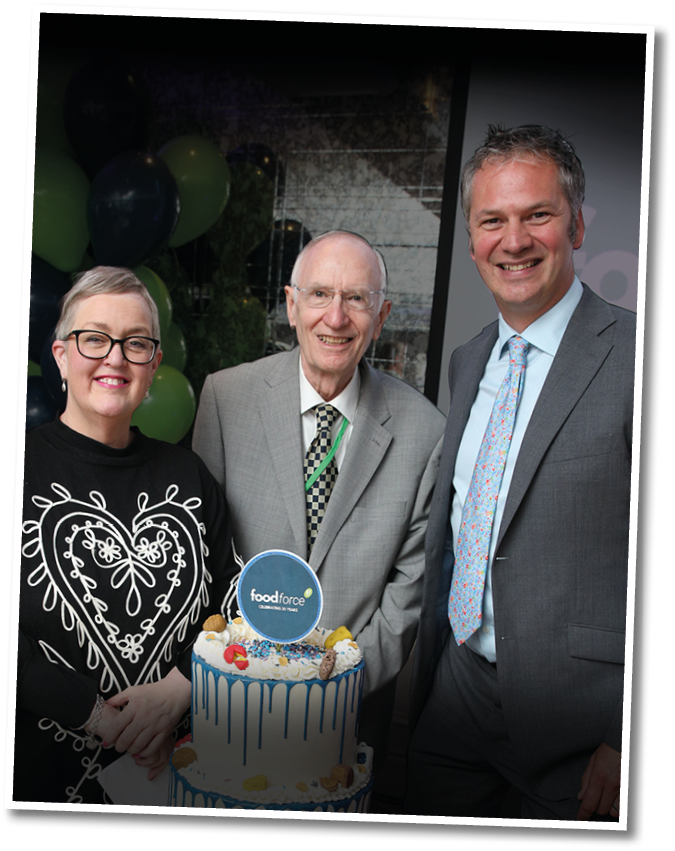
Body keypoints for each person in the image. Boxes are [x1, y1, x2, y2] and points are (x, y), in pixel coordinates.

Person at [405, 125, 635, 821]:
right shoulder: (469, 359)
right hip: (457, 690)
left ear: (576, 224)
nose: (513, 240)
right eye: (491, 220)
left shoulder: (641, 356)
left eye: (536, 214)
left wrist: (632, 734)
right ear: (471, 237)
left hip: (582, 722)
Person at [192, 230, 446, 761]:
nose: (336, 318)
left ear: (381, 317)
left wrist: (326, 686)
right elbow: (202, 559)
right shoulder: (225, 398)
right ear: (291, 305)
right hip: (229, 697)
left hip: (347, 713)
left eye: (357, 299)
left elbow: (408, 594)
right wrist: (244, 672)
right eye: (319, 295)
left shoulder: (426, 431)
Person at [15, 267, 233, 804]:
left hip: (175, 781)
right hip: (36, 790)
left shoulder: (192, 478)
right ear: (61, 355)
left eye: (135, 343)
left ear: (153, 366)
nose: (114, 357)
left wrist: (179, 690)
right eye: (94, 338)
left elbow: (234, 607)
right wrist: (101, 719)